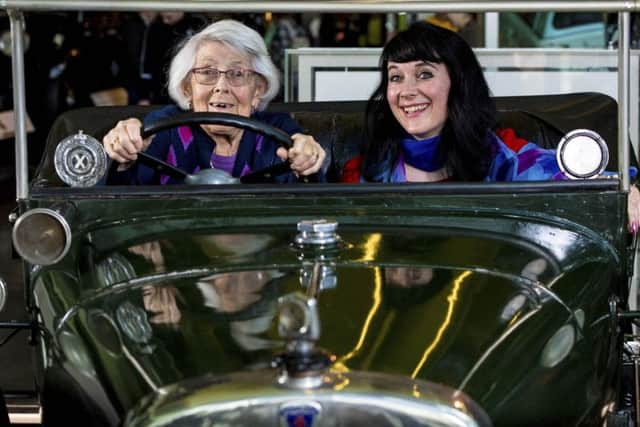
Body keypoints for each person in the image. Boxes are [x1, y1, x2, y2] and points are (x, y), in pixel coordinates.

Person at [342, 21, 640, 232]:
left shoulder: (503, 154)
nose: (406, 91)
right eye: (395, 77)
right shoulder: (364, 172)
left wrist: (624, 190)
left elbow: (568, 176)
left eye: (424, 74)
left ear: (459, 83)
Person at [103, 19, 325, 184]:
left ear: (258, 89)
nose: (221, 85)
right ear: (187, 87)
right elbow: (126, 199)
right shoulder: (164, 127)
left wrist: (307, 153)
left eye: (237, 74)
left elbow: (313, 199)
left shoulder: (277, 129)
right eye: (207, 72)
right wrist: (125, 149)